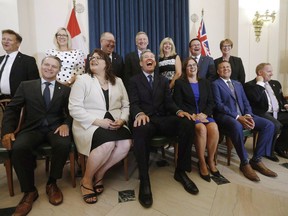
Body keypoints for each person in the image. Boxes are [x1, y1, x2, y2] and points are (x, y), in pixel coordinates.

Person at [1, 56, 72, 216]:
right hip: (32, 129)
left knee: (63, 144)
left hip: (55, 128)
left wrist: (66, 123)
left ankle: (52, 183)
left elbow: (71, 112)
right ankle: (29, 191)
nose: (50, 68)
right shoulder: (26, 86)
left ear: (58, 70)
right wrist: (7, 131)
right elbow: (12, 109)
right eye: (47, 64)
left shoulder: (65, 90)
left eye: (54, 66)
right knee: (19, 148)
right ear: (41, 66)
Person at [128, 49, 198, 208]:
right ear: (141, 63)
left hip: (163, 118)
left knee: (187, 123)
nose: (150, 59)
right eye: (146, 57)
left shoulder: (163, 81)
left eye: (152, 57)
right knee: (139, 129)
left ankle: (180, 171)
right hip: (146, 119)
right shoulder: (134, 80)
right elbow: (133, 103)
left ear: (155, 62)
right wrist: (138, 113)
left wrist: (179, 111)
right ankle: (144, 180)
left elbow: (169, 103)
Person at [69, 49, 131, 204]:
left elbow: (126, 105)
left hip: (115, 120)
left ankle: (100, 175)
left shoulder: (118, 81)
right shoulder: (82, 80)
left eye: (98, 58)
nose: (94, 59)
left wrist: (123, 120)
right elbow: (74, 109)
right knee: (108, 143)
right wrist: (98, 122)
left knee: (125, 144)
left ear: (106, 63)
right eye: (92, 57)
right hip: (89, 123)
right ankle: (87, 180)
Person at [211, 61, 277, 182]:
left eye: (228, 67)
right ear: (218, 71)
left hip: (244, 115)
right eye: (222, 67)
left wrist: (248, 115)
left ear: (231, 69)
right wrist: (237, 117)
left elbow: (246, 101)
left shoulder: (237, 84)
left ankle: (256, 159)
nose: (226, 69)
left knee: (269, 125)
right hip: (226, 116)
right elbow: (218, 105)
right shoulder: (215, 84)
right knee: (236, 125)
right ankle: (244, 162)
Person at [173, 57, 220, 182]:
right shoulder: (180, 83)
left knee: (214, 128)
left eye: (194, 65)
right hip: (191, 117)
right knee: (201, 129)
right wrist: (192, 114)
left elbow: (211, 102)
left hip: (204, 115)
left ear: (197, 67)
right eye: (189, 66)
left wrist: (205, 114)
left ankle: (210, 159)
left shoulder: (205, 82)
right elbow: (178, 103)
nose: (192, 67)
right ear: (185, 69)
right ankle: (202, 162)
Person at [244, 63, 288, 160]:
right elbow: (255, 98)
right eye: (269, 71)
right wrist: (260, 83)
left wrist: (285, 104)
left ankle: (279, 146)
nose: (271, 74)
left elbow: (280, 98)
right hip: (262, 112)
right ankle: (268, 152)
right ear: (260, 73)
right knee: (276, 125)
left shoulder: (276, 83)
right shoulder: (250, 85)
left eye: (271, 71)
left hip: (277, 111)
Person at [0, 29, 39, 99]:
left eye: (9, 40)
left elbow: (34, 86)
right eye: (3, 39)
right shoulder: (0, 60)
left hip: (18, 102)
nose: (5, 41)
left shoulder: (28, 61)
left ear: (18, 43)